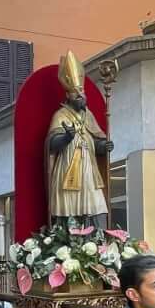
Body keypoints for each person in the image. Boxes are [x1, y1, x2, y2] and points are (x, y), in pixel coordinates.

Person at [46, 51, 112, 224]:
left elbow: (96, 139)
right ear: (68, 95)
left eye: (82, 91)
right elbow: (52, 144)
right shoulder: (60, 115)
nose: (80, 95)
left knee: (96, 205)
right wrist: (67, 137)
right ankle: (67, 236)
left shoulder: (88, 115)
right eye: (76, 92)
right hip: (67, 169)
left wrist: (103, 146)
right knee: (69, 206)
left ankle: (97, 236)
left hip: (89, 169)